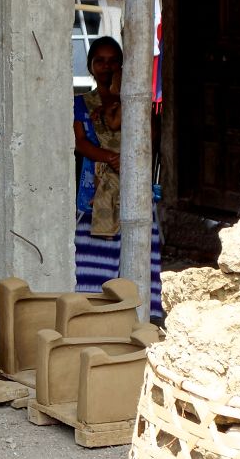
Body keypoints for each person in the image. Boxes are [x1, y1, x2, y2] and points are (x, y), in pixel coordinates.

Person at [73, 36, 162, 318]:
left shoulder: (134, 101)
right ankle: (92, 314)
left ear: (122, 66)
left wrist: (129, 160)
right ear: (90, 66)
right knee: (91, 257)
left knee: (136, 249)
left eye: (113, 61)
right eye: (100, 60)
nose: (106, 66)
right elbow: (79, 143)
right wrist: (111, 158)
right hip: (95, 192)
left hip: (133, 187)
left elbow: (150, 136)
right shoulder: (81, 104)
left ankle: (138, 315)